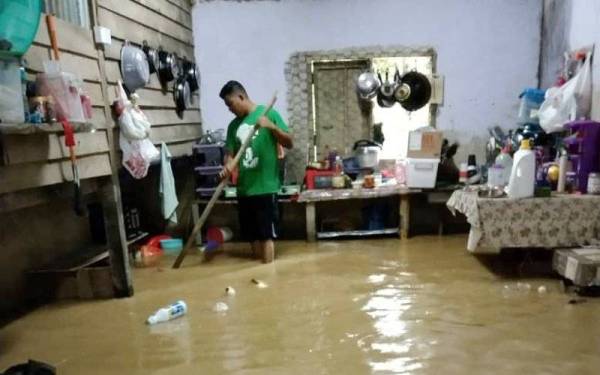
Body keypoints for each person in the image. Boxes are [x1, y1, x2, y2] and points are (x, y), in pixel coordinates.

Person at [219, 81, 293, 263]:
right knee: (251, 236)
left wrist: (272, 127)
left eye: (231, 104)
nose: (230, 109)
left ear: (241, 97)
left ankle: (268, 274)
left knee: (266, 236)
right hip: (244, 190)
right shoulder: (233, 126)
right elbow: (230, 155)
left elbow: (290, 142)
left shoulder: (269, 114)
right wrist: (227, 166)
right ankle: (258, 277)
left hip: (266, 188)